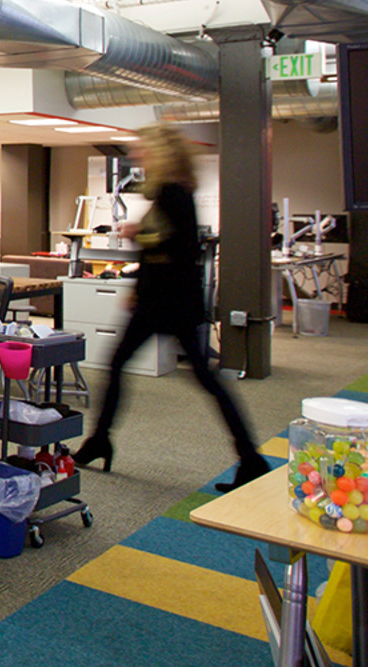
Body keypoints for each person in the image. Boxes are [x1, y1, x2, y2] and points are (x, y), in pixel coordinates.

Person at [71, 123, 268, 493]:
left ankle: (251, 458)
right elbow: (163, 249)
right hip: (166, 298)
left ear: (160, 152)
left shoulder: (171, 191)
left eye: (143, 149)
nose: (137, 155)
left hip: (166, 301)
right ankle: (250, 456)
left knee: (190, 377)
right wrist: (140, 272)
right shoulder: (175, 191)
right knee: (192, 376)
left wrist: (137, 235)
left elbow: (177, 249)